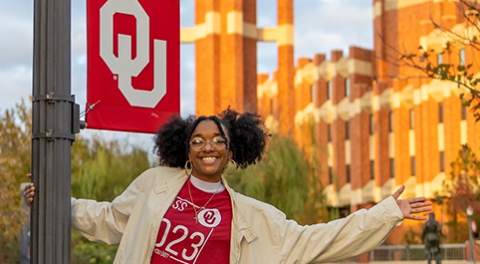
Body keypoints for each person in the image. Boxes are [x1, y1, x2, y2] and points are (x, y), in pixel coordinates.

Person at [23, 108, 432, 264]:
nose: (208, 147)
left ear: (232, 152)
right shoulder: (155, 184)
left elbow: (317, 241)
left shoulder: (254, 217)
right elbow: (108, 220)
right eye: (198, 140)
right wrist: (55, 201)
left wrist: (386, 213)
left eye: (219, 140)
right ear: (185, 149)